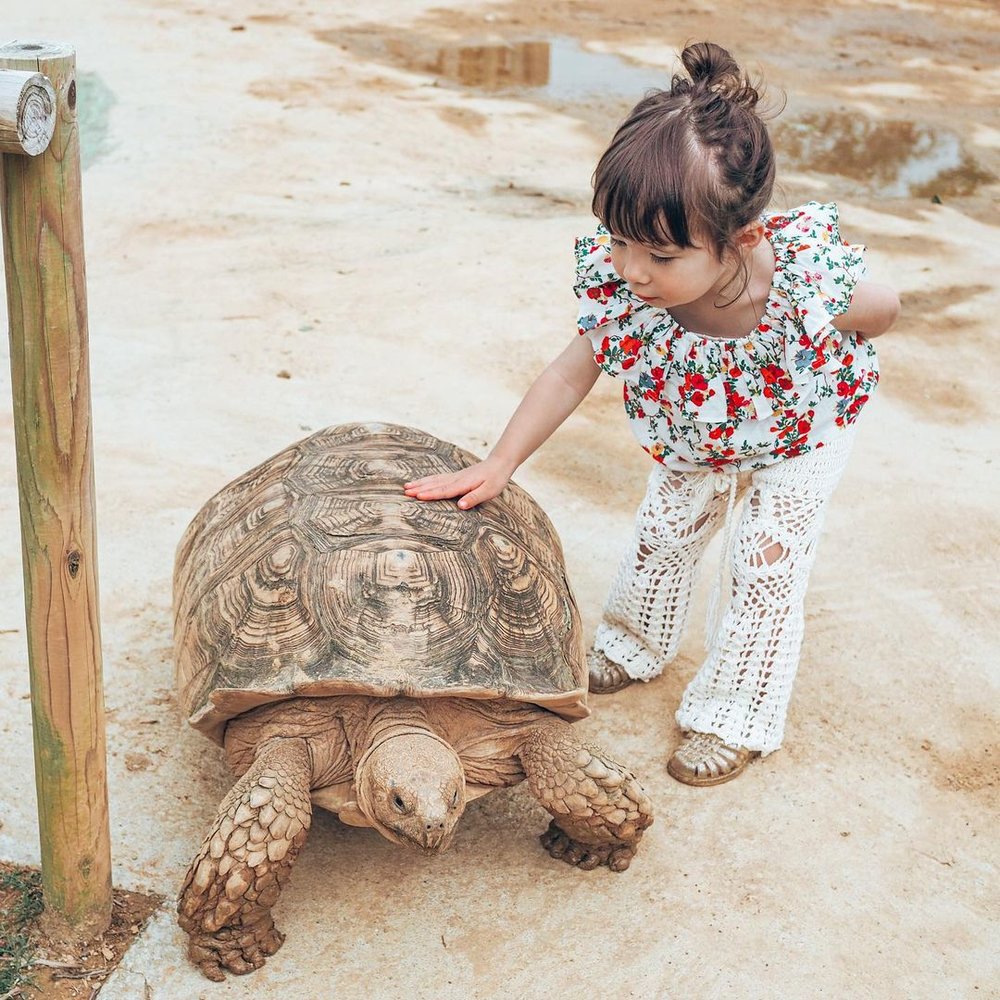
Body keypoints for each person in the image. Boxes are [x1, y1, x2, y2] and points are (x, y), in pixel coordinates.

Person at [403, 41, 899, 786]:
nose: (633, 270)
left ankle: (734, 712)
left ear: (742, 239)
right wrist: (500, 462)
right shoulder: (630, 289)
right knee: (664, 532)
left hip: (806, 426)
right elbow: (569, 373)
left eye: (661, 256)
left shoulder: (797, 280)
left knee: (764, 559)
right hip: (699, 433)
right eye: (620, 241)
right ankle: (634, 644)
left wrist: (843, 310)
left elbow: (884, 308)